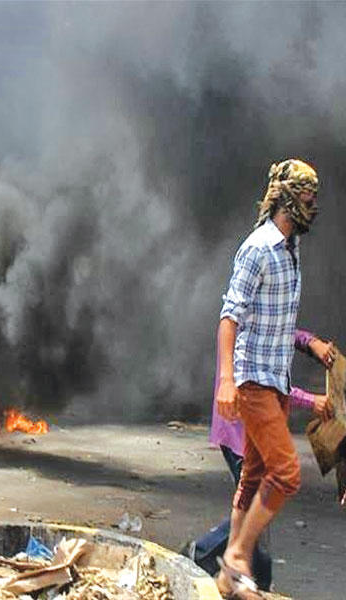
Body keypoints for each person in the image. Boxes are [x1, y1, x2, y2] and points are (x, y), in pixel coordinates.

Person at [215, 159, 322, 599]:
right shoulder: (259, 248)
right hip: (253, 380)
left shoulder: (291, 249)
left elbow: (276, 324)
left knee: (255, 474)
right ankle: (237, 556)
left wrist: (310, 345)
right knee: (286, 473)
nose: (314, 208)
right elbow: (230, 315)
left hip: (275, 380)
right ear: (287, 199)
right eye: (308, 199)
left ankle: (229, 576)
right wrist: (226, 378)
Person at [185, 328, 334, 590]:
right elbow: (262, 382)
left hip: (251, 427)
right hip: (240, 428)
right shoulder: (241, 320)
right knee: (259, 508)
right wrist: (311, 401)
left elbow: (284, 331)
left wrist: (312, 343)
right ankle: (220, 563)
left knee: (257, 507)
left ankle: (217, 562)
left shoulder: (266, 312)